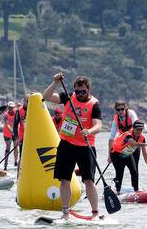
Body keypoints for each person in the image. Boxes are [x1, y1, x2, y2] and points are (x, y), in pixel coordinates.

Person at [42, 73, 104, 220]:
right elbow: (46, 96)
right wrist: (55, 82)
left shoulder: (94, 104)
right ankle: (66, 213)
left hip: (85, 146)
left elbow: (99, 126)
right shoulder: (69, 97)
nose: (80, 94)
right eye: (78, 91)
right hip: (67, 144)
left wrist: (89, 131)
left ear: (88, 89)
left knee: (89, 180)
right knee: (64, 179)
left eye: (83, 91)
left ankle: (95, 213)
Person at [111, 120, 147, 193]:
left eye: (141, 129)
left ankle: (136, 191)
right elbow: (134, 144)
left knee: (134, 171)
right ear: (133, 128)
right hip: (116, 154)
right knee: (120, 172)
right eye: (137, 129)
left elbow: (145, 154)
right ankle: (117, 191)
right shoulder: (127, 135)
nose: (139, 131)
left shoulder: (142, 138)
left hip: (127, 154)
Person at [2, 102, 19, 169]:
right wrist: (12, 131)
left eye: (12, 107)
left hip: (15, 133)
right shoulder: (5, 115)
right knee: (8, 148)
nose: (11, 109)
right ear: (8, 107)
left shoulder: (16, 113)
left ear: (14, 107)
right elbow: (7, 124)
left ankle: (15, 162)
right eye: (9, 107)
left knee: (16, 148)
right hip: (7, 133)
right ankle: (5, 164)